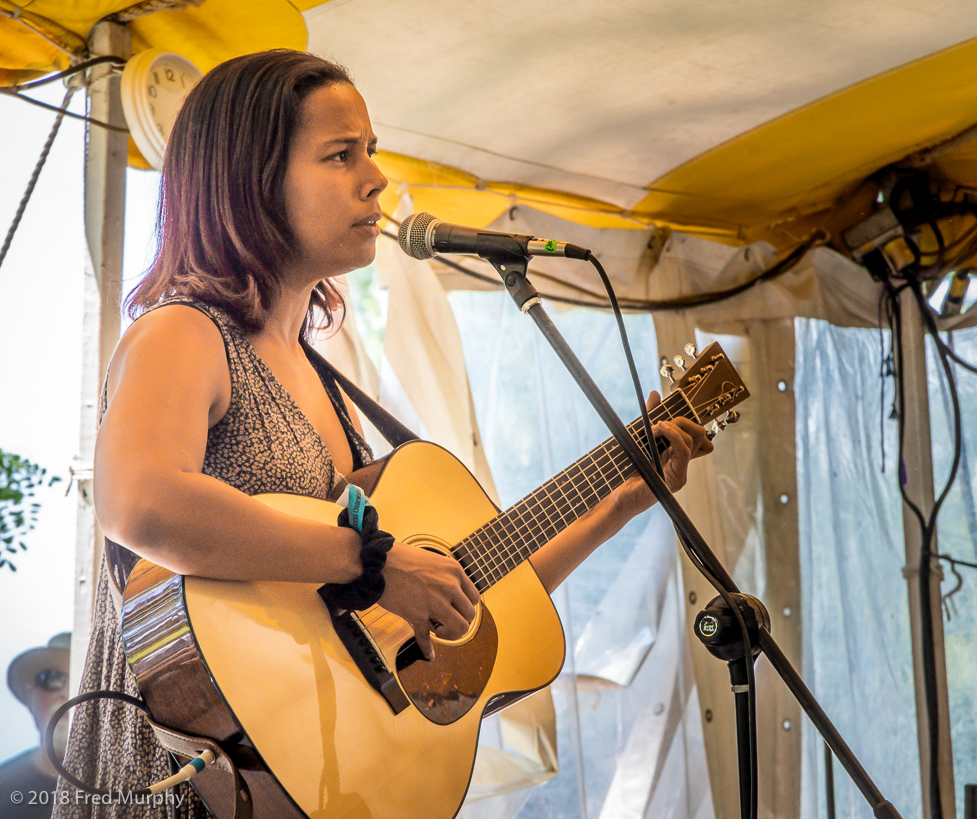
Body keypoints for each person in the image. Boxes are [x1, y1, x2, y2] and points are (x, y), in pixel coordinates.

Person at [55, 49, 712, 818]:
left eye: (370, 152)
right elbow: (143, 505)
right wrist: (364, 558)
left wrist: (619, 506)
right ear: (250, 179)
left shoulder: (325, 381)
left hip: (307, 779)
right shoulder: (183, 333)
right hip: (175, 784)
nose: (376, 180)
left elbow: (441, 592)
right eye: (341, 155)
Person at [1, 632, 71, 819]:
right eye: (52, 679)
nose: (66, 692)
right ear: (30, 699)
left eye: (83, 679)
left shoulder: (134, 788)